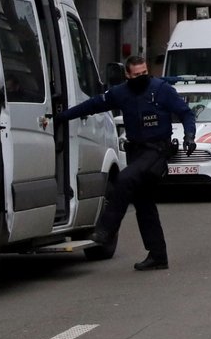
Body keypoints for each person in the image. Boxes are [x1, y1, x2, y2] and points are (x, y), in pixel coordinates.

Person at [52, 55, 196, 271]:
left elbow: (186, 113)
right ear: (127, 75)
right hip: (136, 152)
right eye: (136, 74)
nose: (141, 77)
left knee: (125, 178)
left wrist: (190, 136)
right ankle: (158, 256)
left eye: (144, 73)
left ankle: (106, 230)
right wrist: (61, 117)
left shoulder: (162, 89)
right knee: (144, 204)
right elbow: (92, 105)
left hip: (157, 151)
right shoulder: (120, 93)